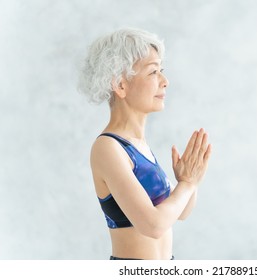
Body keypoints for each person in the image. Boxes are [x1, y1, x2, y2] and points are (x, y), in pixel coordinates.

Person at [78, 28, 212, 260]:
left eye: (162, 71)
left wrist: (188, 181)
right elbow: (153, 226)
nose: (165, 81)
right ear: (121, 85)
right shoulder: (108, 148)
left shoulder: (138, 144)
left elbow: (180, 213)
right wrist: (188, 184)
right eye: (153, 72)